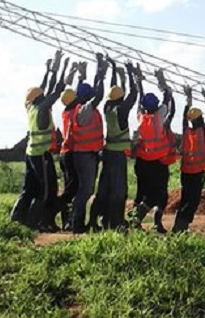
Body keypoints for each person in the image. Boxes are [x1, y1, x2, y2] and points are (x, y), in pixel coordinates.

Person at [11, 50, 69, 232]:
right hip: (41, 155)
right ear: (39, 98)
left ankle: (17, 217)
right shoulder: (43, 108)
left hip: (30, 154)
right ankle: (40, 222)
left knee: (29, 188)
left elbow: (46, 88)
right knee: (47, 190)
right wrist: (63, 68)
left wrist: (51, 69)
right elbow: (56, 90)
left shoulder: (31, 107)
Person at [88, 57, 137, 231]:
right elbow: (134, 94)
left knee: (104, 188)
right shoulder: (122, 111)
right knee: (118, 190)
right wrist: (131, 74)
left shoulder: (107, 107)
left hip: (107, 153)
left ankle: (95, 219)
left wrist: (115, 69)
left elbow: (114, 89)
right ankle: (115, 222)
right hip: (117, 156)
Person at [128, 68, 175, 233]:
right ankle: (143, 219)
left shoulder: (141, 117)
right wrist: (162, 81)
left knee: (141, 192)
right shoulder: (159, 116)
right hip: (157, 163)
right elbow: (168, 100)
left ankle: (135, 220)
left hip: (141, 162)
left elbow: (140, 100)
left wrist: (138, 81)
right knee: (157, 194)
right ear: (155, 106)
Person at [71, 53, 107, 234]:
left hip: (86, 154)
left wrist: (84, 76)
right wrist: (101, 73)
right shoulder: (84, 110)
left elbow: (87, 92)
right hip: (85, 155)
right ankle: (76, 224)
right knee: (85, 191)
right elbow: (99, 95)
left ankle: (77, 223)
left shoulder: (80, 107)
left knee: (85, 190)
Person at [172, 86, 205, 233]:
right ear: (199, 119)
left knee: (185, 199)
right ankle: (181, 227)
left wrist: (188, 97)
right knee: (192, 201)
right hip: (196, 173)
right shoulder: (203, 131)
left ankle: (179, 225)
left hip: (185, 172)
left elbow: (184, 116)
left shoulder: (186, 131)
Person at [58, 62, 82, 231]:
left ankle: (66, 220)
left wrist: (72, 72)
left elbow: (70, 93)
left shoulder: (66, 110)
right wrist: (79, 76)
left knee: (69, 186)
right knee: (72, 189)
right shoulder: (75, 110)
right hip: (71, 153)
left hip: (64, 152)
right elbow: (80, 95)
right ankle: (60, 213)